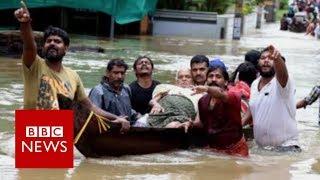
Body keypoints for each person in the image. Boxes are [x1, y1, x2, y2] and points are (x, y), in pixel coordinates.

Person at [14, 5, 129, 131]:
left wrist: (115, 118)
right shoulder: (34, 65)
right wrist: (25, 23)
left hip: (60, 129)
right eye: (48, 41)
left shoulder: (73, 75)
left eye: (57, 41)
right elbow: (29, 46)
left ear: (66, 48)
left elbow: (90, 107)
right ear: (43, 46)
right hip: (33, 126)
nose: (52, 43)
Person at [242, 45, 301, 152]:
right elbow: (253, 107)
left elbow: (283, 75)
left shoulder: (283, 83)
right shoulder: (255, 83)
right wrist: (239, 124)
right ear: (258, 62)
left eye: (270, 58)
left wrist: (277, 58)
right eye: (263, 58)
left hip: (287, 147)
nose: (266, 61)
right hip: (262, 149)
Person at [190, 66, 249, 157]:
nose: (213, 79)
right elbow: (204, 124)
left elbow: (220, 94)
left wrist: (207, 89)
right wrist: (190, 124)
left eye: (218, 77)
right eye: (210, 76)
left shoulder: (232, 96)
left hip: (236, 151)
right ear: (206, 80)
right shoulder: (202, 100)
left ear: (226, 82)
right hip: (214, 150)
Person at [89, 59, 139, 125]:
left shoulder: (126, 89)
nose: (119, 76)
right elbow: (93, 118)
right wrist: (114, 122)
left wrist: (137, 116)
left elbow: (127, 110)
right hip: (108, 130)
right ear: (107, 73)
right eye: (116, 73)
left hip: (127, 129)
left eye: (122, 73)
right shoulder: (98, 92)